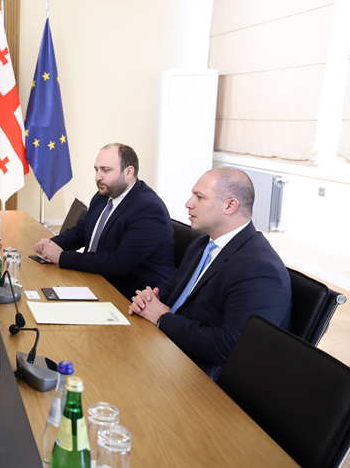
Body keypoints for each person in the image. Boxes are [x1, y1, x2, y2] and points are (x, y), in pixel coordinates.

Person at [128, 168, 292, 380]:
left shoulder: (259, 269)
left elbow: (231, 347)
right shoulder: (203, 244)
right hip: (166, 346)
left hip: (198, 375)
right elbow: (173, 286)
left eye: (199, 197)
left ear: (230, 206)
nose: (188, 203)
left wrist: (162, 318)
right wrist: (149, 299)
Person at [33, 143, 175, 298]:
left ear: (129, 172)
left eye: (105, 170)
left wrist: (62, 257)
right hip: (96, 280)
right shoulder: (104, 195)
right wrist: (53, 244)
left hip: (129, 296)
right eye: (96, 170)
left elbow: (118, 263)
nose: (98, 177)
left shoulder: (149, 209)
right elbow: (82, 231)